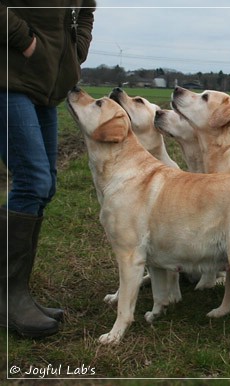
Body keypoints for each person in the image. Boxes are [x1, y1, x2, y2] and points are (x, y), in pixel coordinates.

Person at [0, 1, 96, 338]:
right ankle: (7, 298)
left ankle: (17, 292)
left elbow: (86, 9)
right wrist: (25, 41)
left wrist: (76, 48)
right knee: (33, 181)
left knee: (46, 185)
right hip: (8, 79)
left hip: (46, 86)